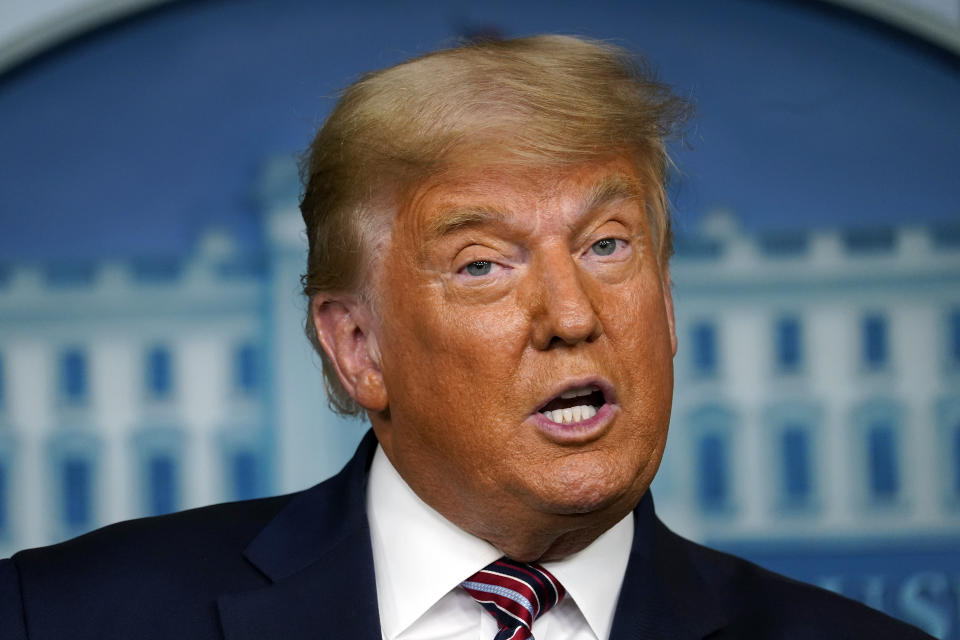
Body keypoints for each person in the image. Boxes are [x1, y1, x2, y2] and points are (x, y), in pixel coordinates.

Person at [0, 35, 930, 640]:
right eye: (485, 263)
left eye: (608, 246)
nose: (572, 316)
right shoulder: (63, 619)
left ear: (670, 306)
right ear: (357, 346)